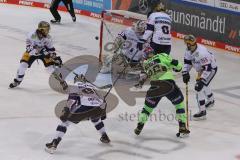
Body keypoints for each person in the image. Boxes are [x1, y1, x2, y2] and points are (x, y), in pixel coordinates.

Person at [45, 75, 110, 154]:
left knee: (64, 123)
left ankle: (54, 143)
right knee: (96, 120)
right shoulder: (92, 86)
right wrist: (103, 113)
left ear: (75, 80)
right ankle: (104, 136)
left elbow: (71, 100)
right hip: (98, 108)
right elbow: (103, 101)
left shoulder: (75, 86)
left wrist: (66, 110)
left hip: (84, 107)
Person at [134, 47, 190, 138]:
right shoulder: (162, 55)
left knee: (147, 109)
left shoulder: (145, 64)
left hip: (155, 87)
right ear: (153, 52)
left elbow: (143, 77)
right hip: (168, 85)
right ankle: (182, 127)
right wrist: (176, 68)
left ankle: (139, 126)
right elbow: (178, 65)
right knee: (179, 104)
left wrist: (140, 83)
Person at [9, 21, 67, 90]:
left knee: (50, 69)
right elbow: (28, 48)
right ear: (41, 30)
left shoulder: (48, 38)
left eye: (48, 29)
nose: (48, 31)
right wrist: (39, 51)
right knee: (23, 65)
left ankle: (62, 81)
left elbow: (51, 49)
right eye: (46, 30)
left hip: (44, 53)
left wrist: (55, 58)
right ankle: (17, 81)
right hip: (31, 53)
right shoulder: (31, 35)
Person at [182, 35, 217, 120]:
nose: (186, 45)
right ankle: (211, 100)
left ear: (189, 44)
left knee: (199, 88)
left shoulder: (201, 53)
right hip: (202, 69)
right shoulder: (188, 51)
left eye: (187, 43)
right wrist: (185, 72)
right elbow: (187, 62)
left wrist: (202, 80)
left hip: (210, 69)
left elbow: (208, 69)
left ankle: (202, 112)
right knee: (205, 85)